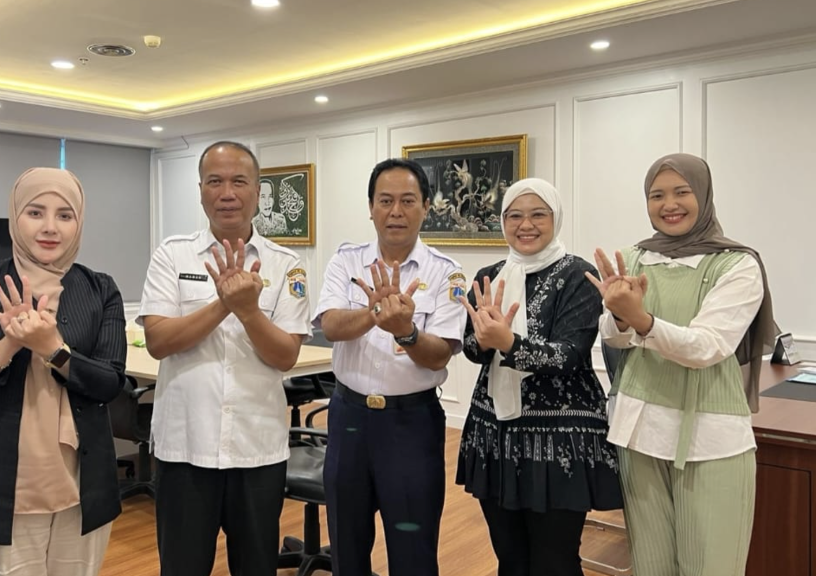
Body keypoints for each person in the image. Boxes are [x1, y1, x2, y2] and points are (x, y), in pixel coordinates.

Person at [0, 167, 127, 576]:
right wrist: (8, 345)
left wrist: (53, 350)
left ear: (79, 223)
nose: (50, 227)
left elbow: (108, 383)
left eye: (65, 215)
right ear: (15, 217)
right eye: (35, 212)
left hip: (80, 489)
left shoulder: (100, 289)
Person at [588, 153, 776, 576]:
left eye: (681, 192)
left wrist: (640, 319)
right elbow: (614, 338)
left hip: (711, 439)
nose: (669, 204)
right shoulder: (633, 258)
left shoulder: (738, 264)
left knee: (711, 566)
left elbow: (707, 347)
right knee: (650, 564)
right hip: (640, 432)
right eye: (657, 195)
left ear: (703, 195)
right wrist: (620, 317)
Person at [138, 141, 312, 576]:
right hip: (184, 446)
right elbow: (158, 341)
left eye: (239, 181)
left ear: (257, 191)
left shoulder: (286, 265)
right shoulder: (172, 254)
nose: (227, 193)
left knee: (256, 567)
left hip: (257, 449)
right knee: (182, 567)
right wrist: (224, 305)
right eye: (215, 181)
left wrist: (250, 312)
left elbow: (285, 355)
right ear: (200, 190)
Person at [456, 178, 623, 576]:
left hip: (560, 439)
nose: (525, 225)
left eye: (537, 215)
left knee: (555, 561)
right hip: (495, 433)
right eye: (514, 216)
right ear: (502, 221)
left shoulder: (579, 276)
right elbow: (472, 349)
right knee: (510, 558)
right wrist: (484, 341)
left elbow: (568, 355)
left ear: (556, 218)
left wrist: (508, 342)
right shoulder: (489, 275)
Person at [313, 158, 466, 576]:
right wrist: (374, 314)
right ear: (370, 207)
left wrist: (407, 332)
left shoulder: (447, 273)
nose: (395, 211)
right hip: (349, 420)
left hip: (411, 425)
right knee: (346, 546)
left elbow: (440, 353)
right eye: (385, 201)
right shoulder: (346, 262)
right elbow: (331, 326)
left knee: (413, 552)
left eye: (407, 201)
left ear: (426, 207)